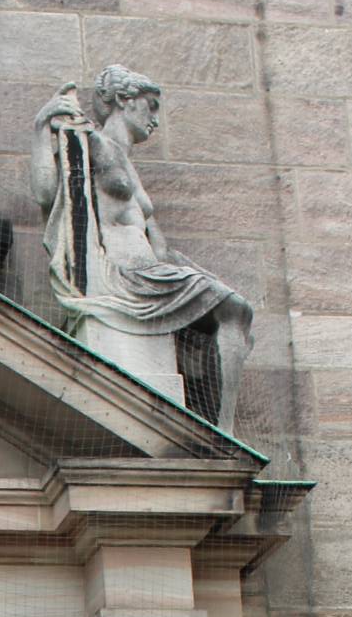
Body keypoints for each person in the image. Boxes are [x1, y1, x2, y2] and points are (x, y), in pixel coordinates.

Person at [31, 64, 252, 436]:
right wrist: (41, 130)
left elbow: (160, 248)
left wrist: (199, 276)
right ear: (124, 100)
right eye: (151, 106)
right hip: (121, 276)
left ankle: (223, 429)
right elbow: (46, 194)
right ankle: (224, 431)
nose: (156, 120)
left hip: (153, 273)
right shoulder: (93, 142)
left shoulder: (129, 164)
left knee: (237, 311)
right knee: (234, 309)